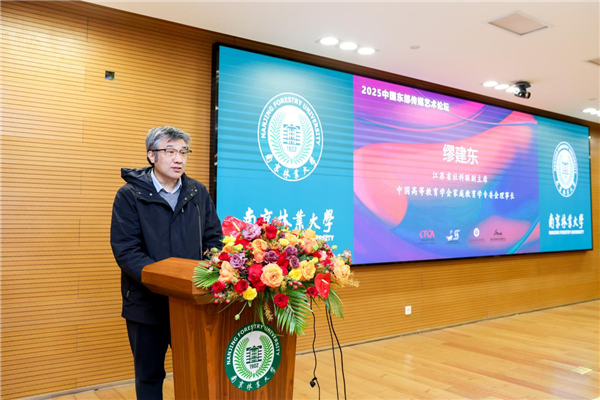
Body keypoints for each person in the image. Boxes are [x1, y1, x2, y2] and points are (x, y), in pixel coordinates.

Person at [110, 126, 222, 400]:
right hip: (146, 303)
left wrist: (209, 270)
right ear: (152, 155)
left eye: (183, 152)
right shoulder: (129, 195)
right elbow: (127, 250)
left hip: (191, 301)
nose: (178, 159)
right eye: (170, 151)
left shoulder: (197, 192)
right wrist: (166, 280)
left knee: (197, 369)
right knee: (149, 376)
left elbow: (214, 238)